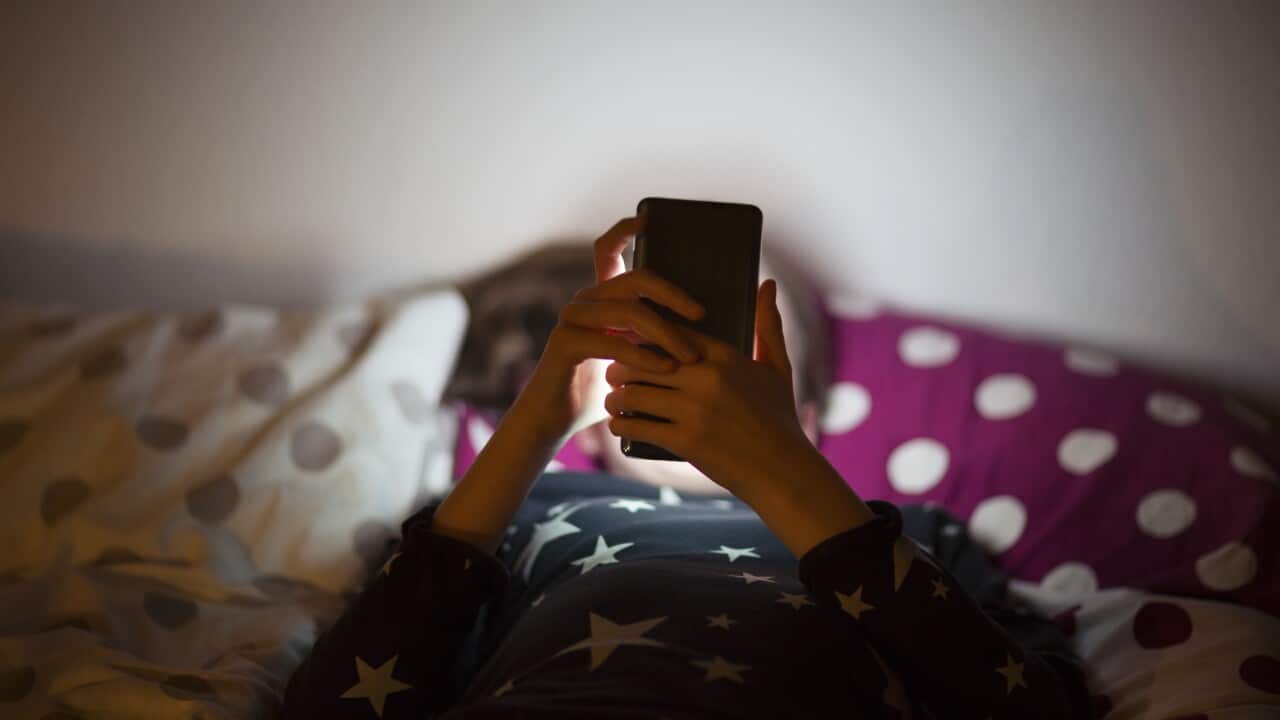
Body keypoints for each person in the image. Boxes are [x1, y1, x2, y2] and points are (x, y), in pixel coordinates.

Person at [282, 216, 1091, 719]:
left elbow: (1030, 706)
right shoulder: (517, 511)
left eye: (736, 357)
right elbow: (338, 704)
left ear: (804, 422)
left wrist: (789, 479)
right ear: (591, 426)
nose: (691, 368)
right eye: (645, 351)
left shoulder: (905, 538)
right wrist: (537, 420)